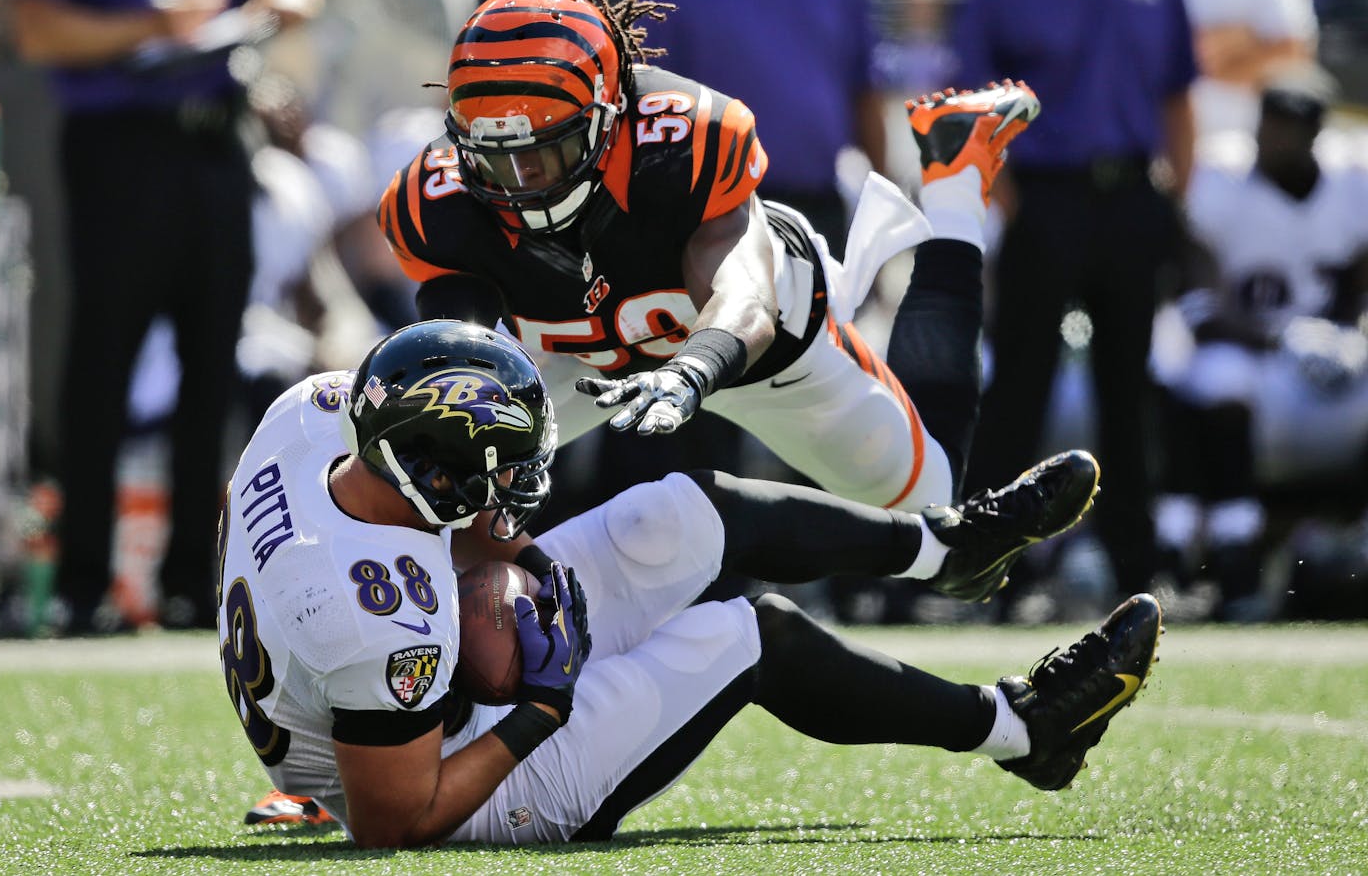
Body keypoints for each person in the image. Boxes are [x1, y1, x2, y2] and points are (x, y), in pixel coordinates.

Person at [220, 318, 1156, 846]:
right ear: (433, 476)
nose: (517, 493)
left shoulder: (320, 418)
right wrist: (540, 708)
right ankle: (1023, 728)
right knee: (748, 634)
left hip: (397, 651)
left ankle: (945, 548)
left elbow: (396, 535)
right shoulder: (370, 617)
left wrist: (504, 558)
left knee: (683, 513)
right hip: (425, 771)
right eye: (498, 471)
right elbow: (397, 823)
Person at [377, 0, 1045, 525]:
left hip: (763, 350)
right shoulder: (438, 201)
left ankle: (955, 180)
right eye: (497, 158)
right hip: (590, 362)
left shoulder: (680, 143)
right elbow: (457, 354)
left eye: (544, 152)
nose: (520, 182)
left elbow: (743, 294)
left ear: (608, 117)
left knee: (931, 503)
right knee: (436, 470)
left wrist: (692, 372)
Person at [12, 0, 321, 632]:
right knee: (102, 365)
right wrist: (156, 24)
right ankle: (82, 586)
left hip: (215, 144)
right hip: (120, 145)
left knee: (214, 366)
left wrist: (271, 2)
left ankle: (193, 584)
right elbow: (36, 30)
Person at [952, 0, 1198, 596]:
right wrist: (1010, 202)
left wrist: (1179, 194)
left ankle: (1136, 572)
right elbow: (972, 100)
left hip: (1133, 200)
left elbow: (1178, 93)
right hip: (1044, 197)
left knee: (1130, 391)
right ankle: (985, 566)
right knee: (1018, 391)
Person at [1153, 65, 1368, 620]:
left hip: (1320, 358)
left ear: (1313, 134)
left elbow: (1356, 268)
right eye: (1266, 124)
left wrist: (1346, 330)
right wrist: (1278, 339)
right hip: (1246, 345)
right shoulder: (1222, 176)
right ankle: (1230, 549)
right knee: (1215, 378)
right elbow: (1197, 280)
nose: (1269, 139)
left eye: (1284, 129)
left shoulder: (1350, 181)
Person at [631, 0, 891, 257]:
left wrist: (882, 212)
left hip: (823, 207)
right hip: (719, 222)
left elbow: (865, 89)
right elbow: (649, 118)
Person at [1166, 0, 1318, 137]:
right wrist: (1238, 42)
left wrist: (1188, 59)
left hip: (1234, 151)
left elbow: (1293, 51)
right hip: (1141, 151)